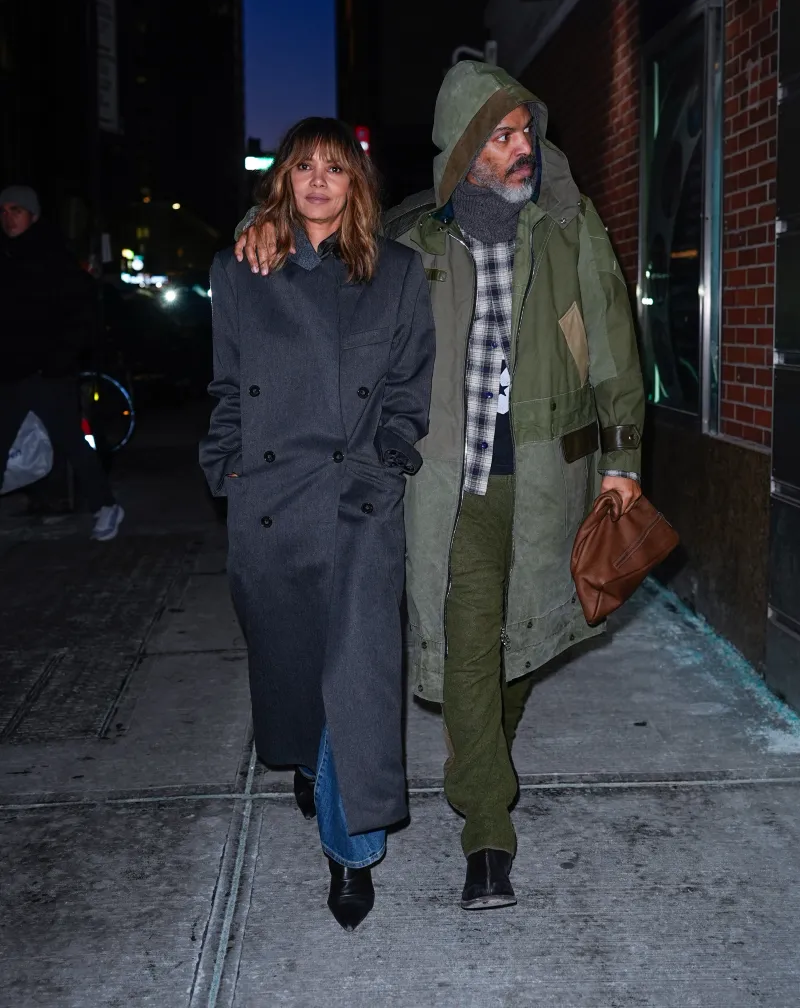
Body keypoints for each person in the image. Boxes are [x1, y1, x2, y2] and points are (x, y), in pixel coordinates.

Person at [235, 63, 645, 911]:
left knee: (522, 651)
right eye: (502, 136)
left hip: (545, 484)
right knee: (468, 649)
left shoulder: (566, 229)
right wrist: (259, 224)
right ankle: (488, 833)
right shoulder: (413, 239)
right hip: (447, 489)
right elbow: (322, 224)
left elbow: (612, 347)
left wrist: (622, 459)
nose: (522, 147)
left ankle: (477, 750)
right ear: (465, 150)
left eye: (526, 132)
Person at [200, 118, 435, 930]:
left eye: (336, 168)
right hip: (269, 502)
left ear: (357, 184)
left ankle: (350, 851)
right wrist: (222, 466)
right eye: (304, 167)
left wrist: (390, 457)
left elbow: (410, 389)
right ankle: (309, 763)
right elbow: (226, 386)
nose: (319, 181)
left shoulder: (399, 273)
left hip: (358, 504)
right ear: (283, 180)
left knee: (356, 684)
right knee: (295, 673)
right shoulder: (242, 271)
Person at [0, 185, 124, 539]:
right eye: (4, 211)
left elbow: (82, 314)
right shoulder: (5, 256)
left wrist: (58, 361)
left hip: (47, 375)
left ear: (32, 215)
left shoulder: (54, 257)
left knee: (71, 442)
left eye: (16, 210)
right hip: (10, 373)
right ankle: (104, 506)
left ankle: (105, 506)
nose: (9, 218)